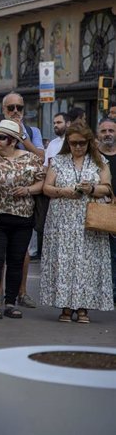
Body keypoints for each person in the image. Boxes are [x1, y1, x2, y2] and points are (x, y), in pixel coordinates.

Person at [41, 122, 114, 323]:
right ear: (68, 143)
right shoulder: (57, 161)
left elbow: (107, 188)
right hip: (61, 221)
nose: (78, 147)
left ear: (89, 142)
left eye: (82, 143)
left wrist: (91, 189)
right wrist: (63, 191)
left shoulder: (100, 161)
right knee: (64, 261)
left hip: (89, 220)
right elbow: (47, 188)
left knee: (87, 263)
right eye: (73, 143)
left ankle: (83, 308)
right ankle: (65, 307)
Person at [0, 120, 44, 320]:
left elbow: (43, 183)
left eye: (1, 137)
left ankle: (11, 302)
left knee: (16, 262)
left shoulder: (31, 159)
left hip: (23, 219)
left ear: (13, 141)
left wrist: (28, 190)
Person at [0, 92, 45, 163]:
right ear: (3, 110)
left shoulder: (33, 131)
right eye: (11, 108)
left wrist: (22, 136)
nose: (15, 111)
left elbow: (41, 158)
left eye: (19, 108)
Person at [97, 117, 116, 305]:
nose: (108, 134)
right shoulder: (94, 156)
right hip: (100, 211)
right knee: (104, 254)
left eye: (111, 130)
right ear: (98, 134)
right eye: (104, 131)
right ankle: (106, 293)